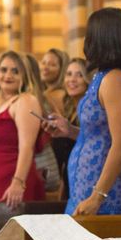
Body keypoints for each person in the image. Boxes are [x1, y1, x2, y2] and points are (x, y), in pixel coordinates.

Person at [48, 8, 121, 215]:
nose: (86, 41)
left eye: (90, 34)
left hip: (105, 194)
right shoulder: (103, 76)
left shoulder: (115, 79)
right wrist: (70, 130)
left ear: (102, 38)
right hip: (85, 190)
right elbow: (100, 135)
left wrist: (97, 196)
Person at [0, 50, 46, 207]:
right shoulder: (2, 104)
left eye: (15, 71)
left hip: (13, 183)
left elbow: (27, 146)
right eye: (3, 70)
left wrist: (18, 182)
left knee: (14, 231)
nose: (8, 75)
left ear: (25, 75)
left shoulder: (26, 100)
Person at [48, 58, 89, 199]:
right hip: (69, 180)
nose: (72, 79)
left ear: (87, 79)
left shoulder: (90, 111)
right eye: (69, 74)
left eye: (79, 75)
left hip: (86, 179)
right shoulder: (67, 110)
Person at [40, 48, 69, 115]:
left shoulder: (59, 95)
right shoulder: (46, 92)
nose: (45, 67)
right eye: (43, 63)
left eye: (52, 65)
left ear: (62, 70)